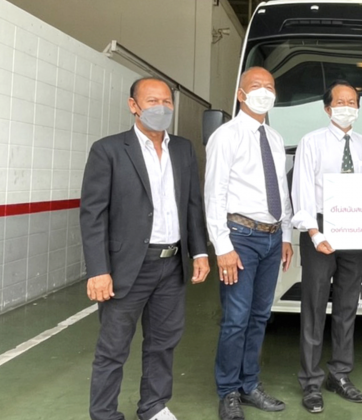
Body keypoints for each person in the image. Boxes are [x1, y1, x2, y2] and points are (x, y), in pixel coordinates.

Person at [81, 77, 210, 420]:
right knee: (113, 348)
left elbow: (192, 204)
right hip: (128, 267)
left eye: (167, 101)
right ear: (133, 106)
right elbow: (93, 215)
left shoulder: (182, 149)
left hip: (172, 264)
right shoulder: (108, 150)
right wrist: (98, 270)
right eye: (152, 101)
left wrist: (199, 252)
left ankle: (153, 406)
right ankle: (104, 414)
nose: (161, 108)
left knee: (163, 343)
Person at [204, 67, 294, 420]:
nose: (264, 92)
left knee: (259, 316)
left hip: (272, 238)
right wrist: (222, 246)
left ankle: (249, 385)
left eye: (269, 86)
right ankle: (228, 391)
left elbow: (281, 190)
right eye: (256, 86)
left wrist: (285, 235)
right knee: (236, 318)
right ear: (241, 95)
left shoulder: (274, 137)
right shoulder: (226, 136)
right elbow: (214, 192)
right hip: (240, 238)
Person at [291, 80, 362, 414]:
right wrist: (314, 233)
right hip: (321, 227)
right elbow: (301, 189)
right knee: (314, 306)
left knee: (347, 305)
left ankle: (340, 374)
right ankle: (311, 382)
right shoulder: (311, 142)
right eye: (340, 102)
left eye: (352, 102)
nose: (347, 107)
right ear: (327, 108)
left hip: (355, 229)